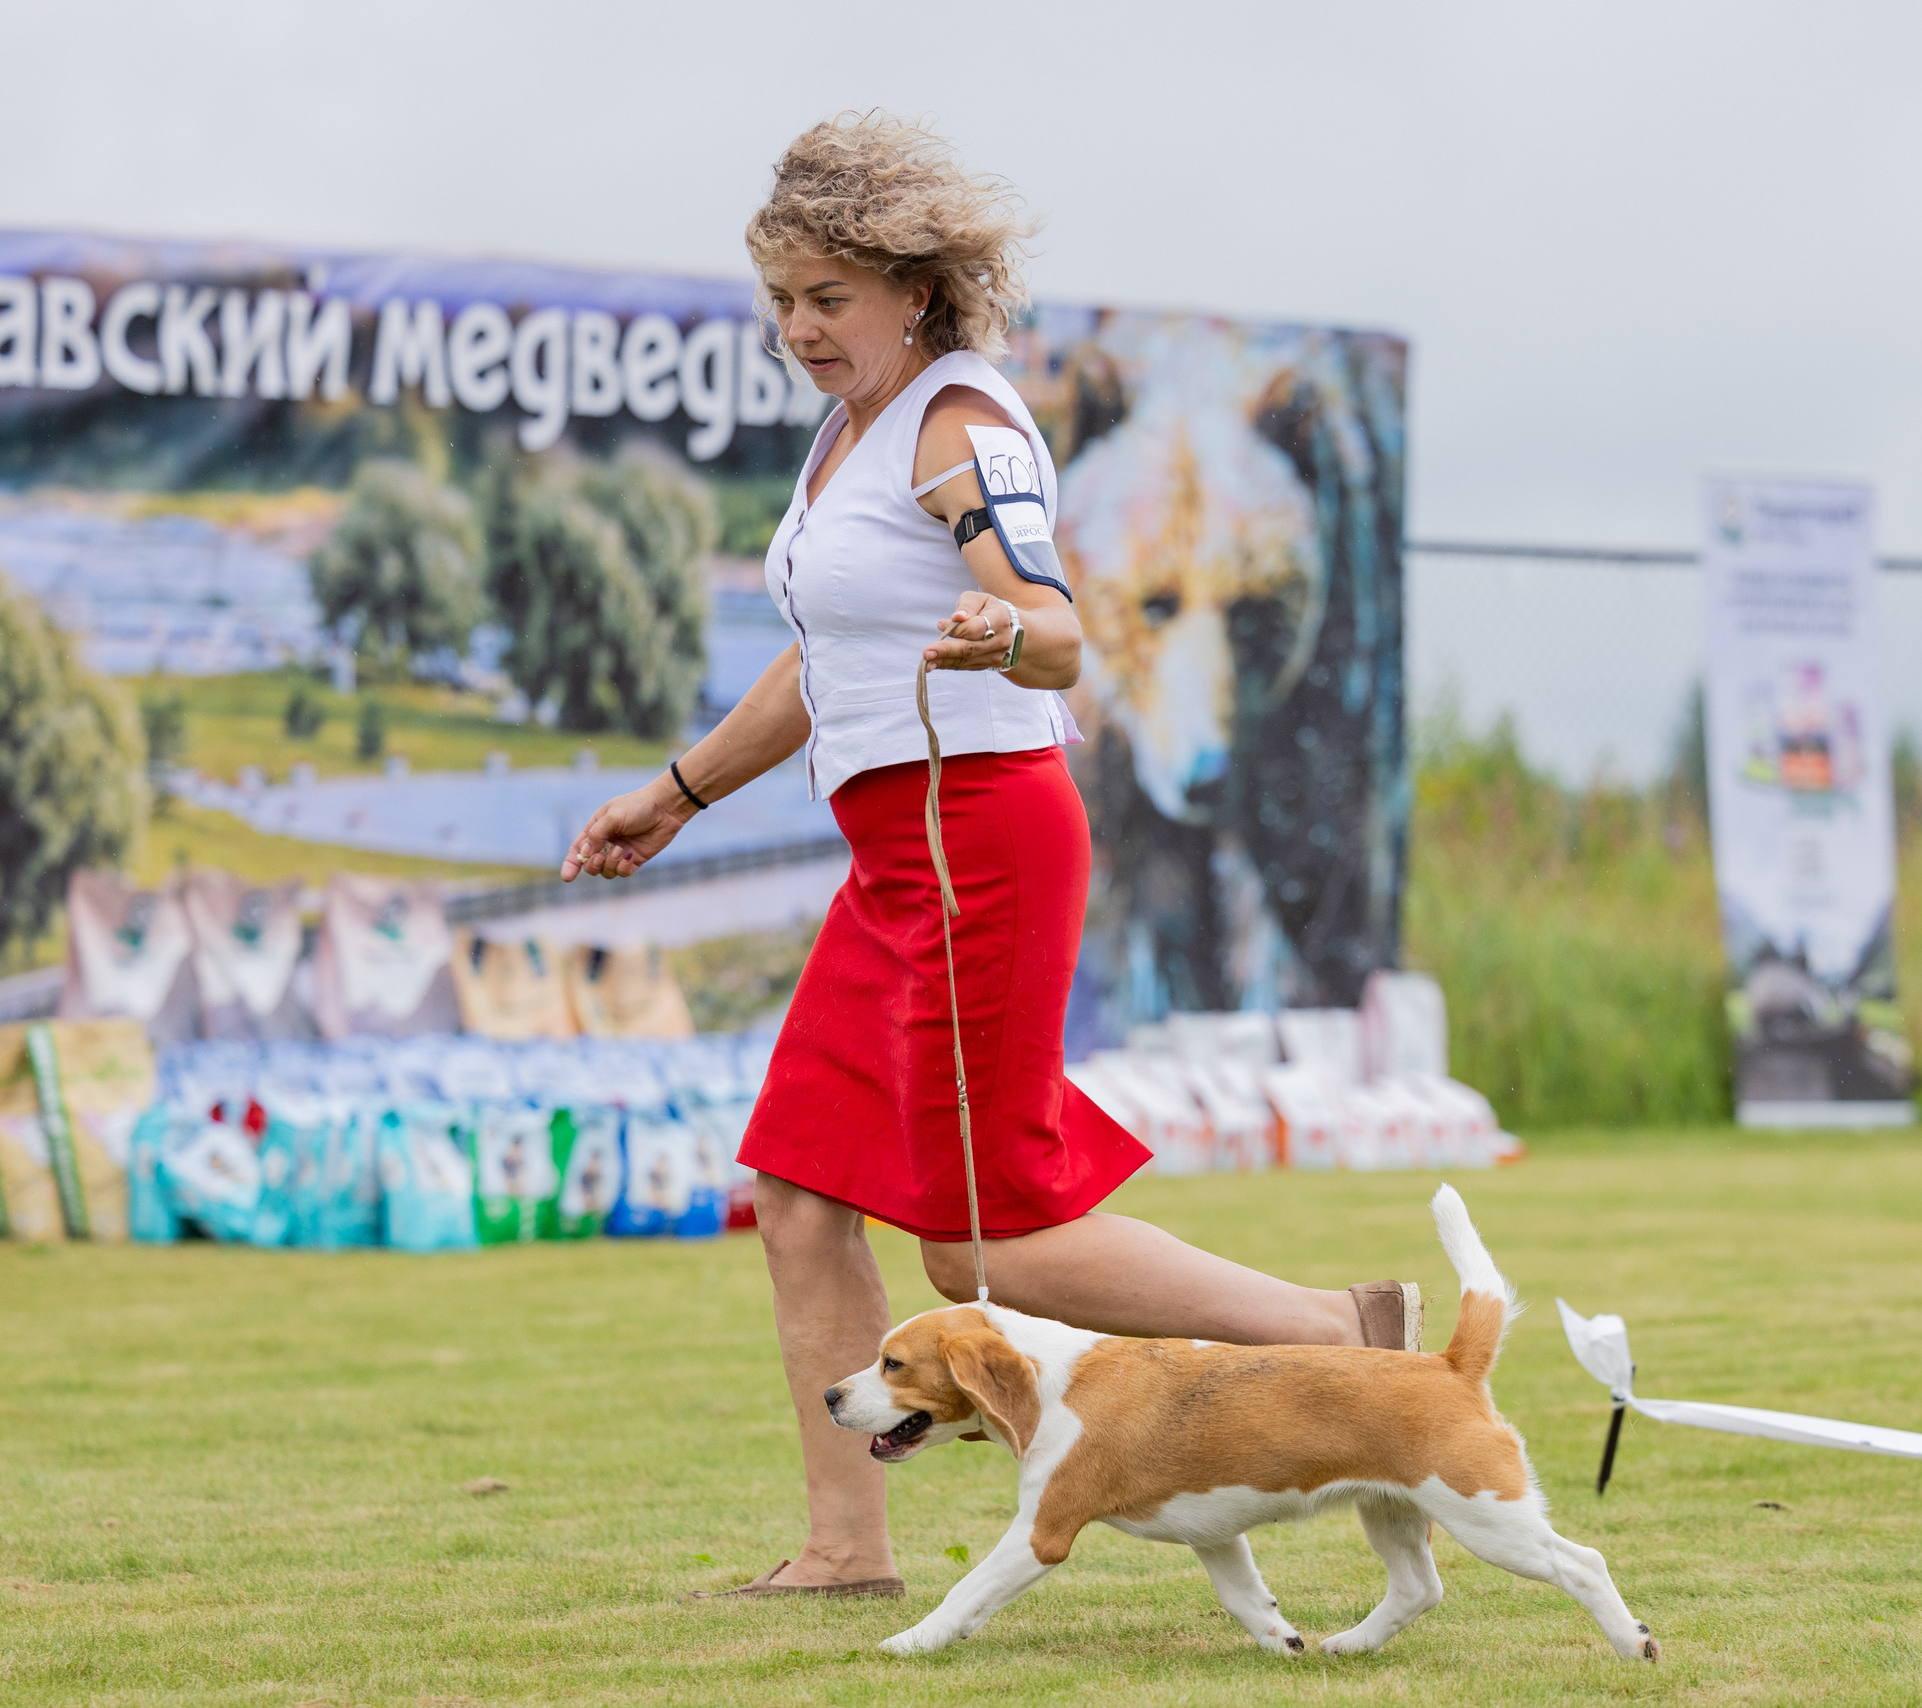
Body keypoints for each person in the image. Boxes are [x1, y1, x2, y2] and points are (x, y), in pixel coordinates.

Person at [559, 113, 1419, 1600]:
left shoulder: (961, 425)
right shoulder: (853, 435)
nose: (800, 328)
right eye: (784, 299)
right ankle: (845, 1549)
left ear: (915, 288)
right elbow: (826, 658)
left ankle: (1347, 1335)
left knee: (979, 1245)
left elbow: (1063, 623)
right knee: (798, 1200)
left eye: (830, 298)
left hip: (980, 841)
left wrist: (1007, 632)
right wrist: (678, 792)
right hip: (892, 855)